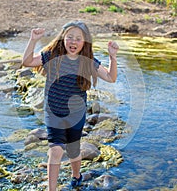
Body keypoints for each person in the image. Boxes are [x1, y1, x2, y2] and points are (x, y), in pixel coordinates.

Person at [22, 20, 119, 190]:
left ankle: (76, 175)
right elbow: (27, 61)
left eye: (78, 38)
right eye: (70, 37)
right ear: (63, 38)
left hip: (76, 114)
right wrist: (33, 40)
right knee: (56, 150)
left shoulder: (87, 61)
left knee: (73, 149)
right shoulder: (52, 55)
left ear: (85, 42)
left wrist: (112, 56)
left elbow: (111, 78)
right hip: (54, 113)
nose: (73, 42)